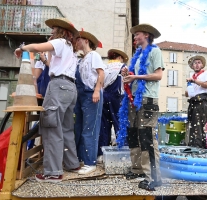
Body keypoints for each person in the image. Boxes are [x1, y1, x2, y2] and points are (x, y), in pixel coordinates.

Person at [14, 17, 81, 182]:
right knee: (65, 129)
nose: (51, 31)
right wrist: (46, 57)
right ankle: (72, 164)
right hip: (71, 88)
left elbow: (36, 47)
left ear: (61, 32)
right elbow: (53, 66)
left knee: (51, 129)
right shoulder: (70, 49)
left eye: (54, 29)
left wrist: (22, 48)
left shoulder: (60, 42)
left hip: (58, 86)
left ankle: (53, 172)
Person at [118, 23, 164, 191]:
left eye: (137, 34)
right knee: (133, 135)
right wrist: (128, 75)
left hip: (148, 100)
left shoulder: (155, 51)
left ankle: (154, 177)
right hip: (134, 100)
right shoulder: (137, 55)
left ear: (146, 35)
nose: (135, 37)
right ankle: (138, 169)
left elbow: (158, 75)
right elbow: (135, 77)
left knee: (147, 138)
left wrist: (135, 76)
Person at [74, 30, 105, 174]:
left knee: (90, 128)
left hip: (91, 93)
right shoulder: (82, 59)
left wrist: (97, 90)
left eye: (78, 39)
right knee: (80, 127)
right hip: (81, 95)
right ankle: (82, 158)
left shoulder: (94, 55)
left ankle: (90, 162)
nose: (76, 42)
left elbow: (101, 73)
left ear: (86, 40)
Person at [97, 49, 128, 163]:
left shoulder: (104, 67)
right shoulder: (122, 67)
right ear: (119, 57)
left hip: (104, 97)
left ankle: (101, 154)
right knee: (119, 124)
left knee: (104, 126)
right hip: (117, 97)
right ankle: (123, 152)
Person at [185, 55, 207, 148]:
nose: (197, 64)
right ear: (192, 66)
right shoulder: (192, 77)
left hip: (202, 102)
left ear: (202, 65)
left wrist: (194, 81)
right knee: (194, 128)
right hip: (194, 102)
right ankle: (195, 147)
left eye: (199, 62)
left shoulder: (206, 73)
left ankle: (197, 149)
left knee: (197, 128)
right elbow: (188, 93)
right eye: (195, 63)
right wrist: (188, 88)